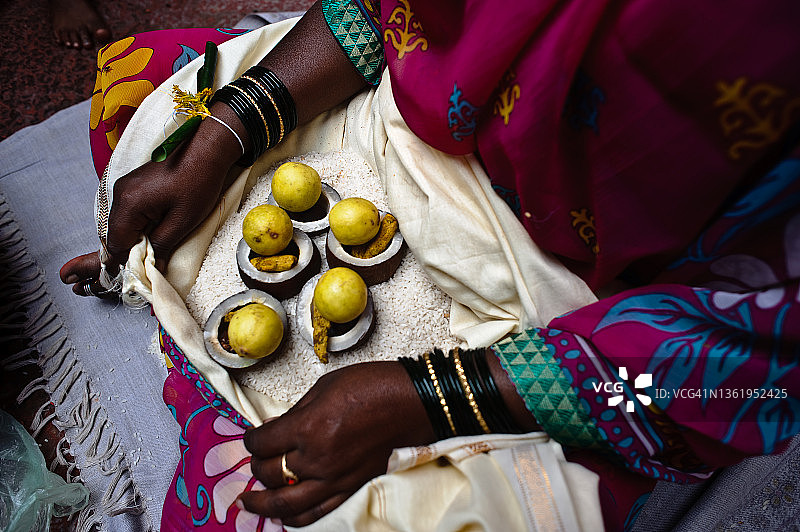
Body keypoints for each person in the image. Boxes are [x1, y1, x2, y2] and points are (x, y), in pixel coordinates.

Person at [60, 0, 800, 530]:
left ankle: (188, 355)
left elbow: (742, 365)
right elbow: (389, 13)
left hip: (577, 309)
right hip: (400, 125)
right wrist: (225, 134)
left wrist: (433, 397)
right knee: (144, 84)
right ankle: (178, 310)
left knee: (292, 502)